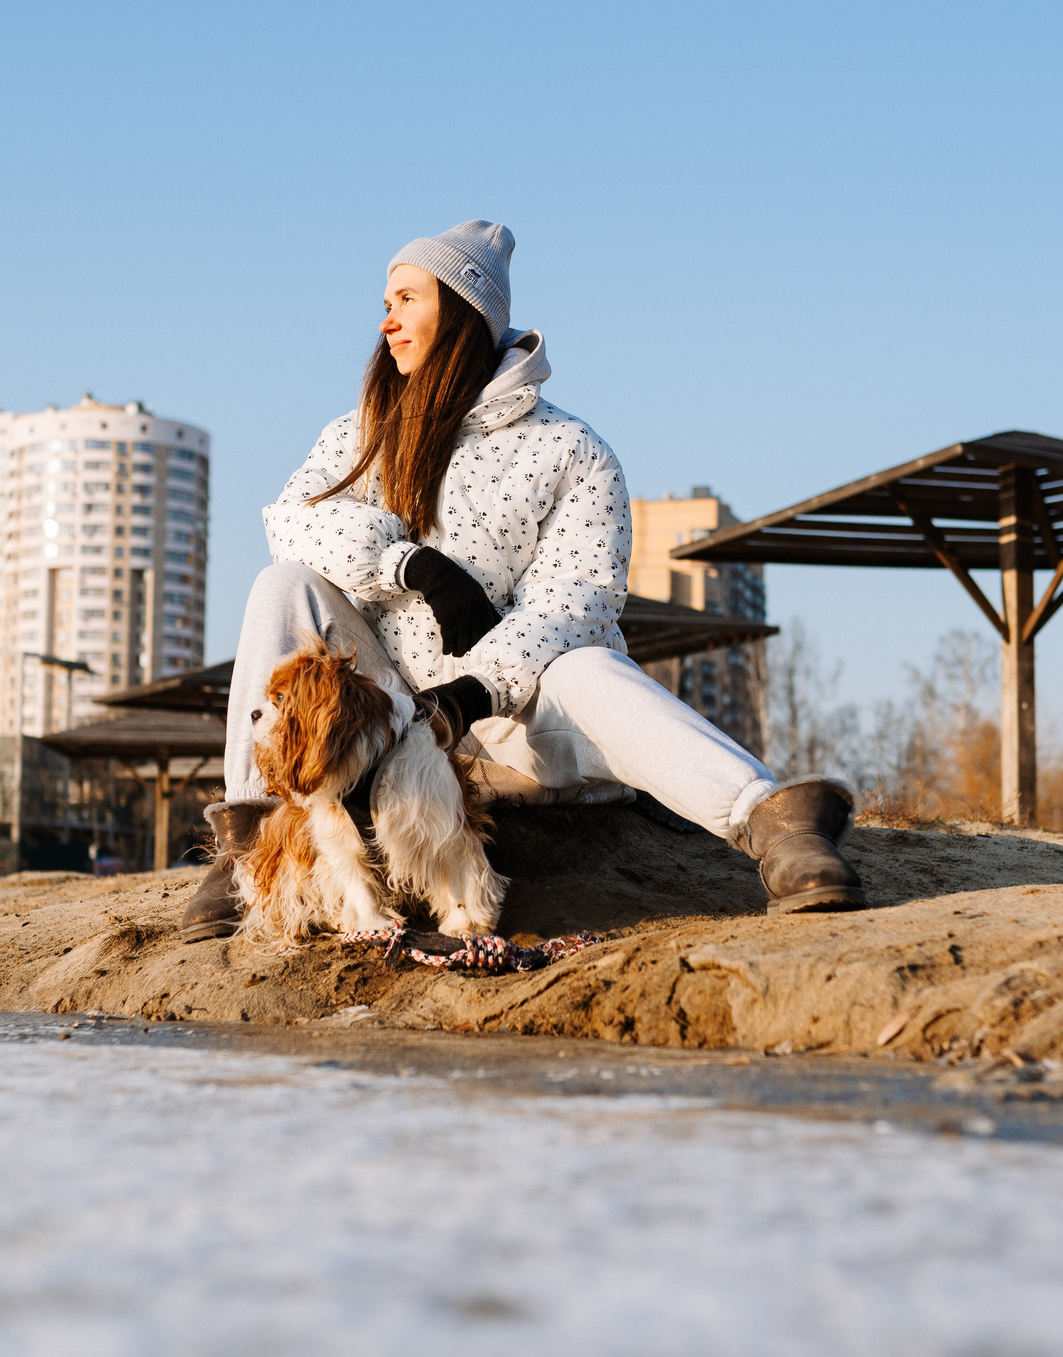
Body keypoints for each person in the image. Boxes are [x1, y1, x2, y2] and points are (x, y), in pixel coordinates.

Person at [178, 220, 865, 942]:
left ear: (462, 308)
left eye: (406, 298)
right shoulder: (359, 432)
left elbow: (582, 599)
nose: (385, 320)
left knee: (592, 663)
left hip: (513, 721)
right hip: (395, 716)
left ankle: (777, 822)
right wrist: (408, 563)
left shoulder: (570, 448)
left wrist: (477, 689)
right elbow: (288, 520)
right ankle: (246, 847)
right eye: (386, 300)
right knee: (282, 584)